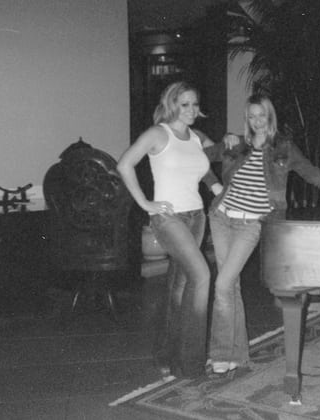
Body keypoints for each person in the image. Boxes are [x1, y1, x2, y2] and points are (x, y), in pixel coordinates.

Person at [204, 94, 320, 374]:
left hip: (251, 224)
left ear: (270, 117)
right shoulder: (236, 144)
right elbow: (196, 158)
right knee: (229, 285)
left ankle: (221, 353)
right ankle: (236, 355)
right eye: (252, 116)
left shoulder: (284, 149)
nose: (257, 121)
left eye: (262, 115)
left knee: (222, 285)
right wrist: (214, 186)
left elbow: (313, 174)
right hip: (221, 218)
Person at [117, 81, 222, 378]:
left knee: (180, 288)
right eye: (185, 104)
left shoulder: (197, 137)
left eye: (195, 104)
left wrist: (220, 188)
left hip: (196, 217)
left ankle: (167, 354)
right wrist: (145, 203)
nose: (191, 110)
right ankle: (191, 363)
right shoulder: (157, 133)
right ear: (172, 104)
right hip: (168, 218)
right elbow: (124, 165)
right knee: (202, 276)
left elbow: (209, 167)